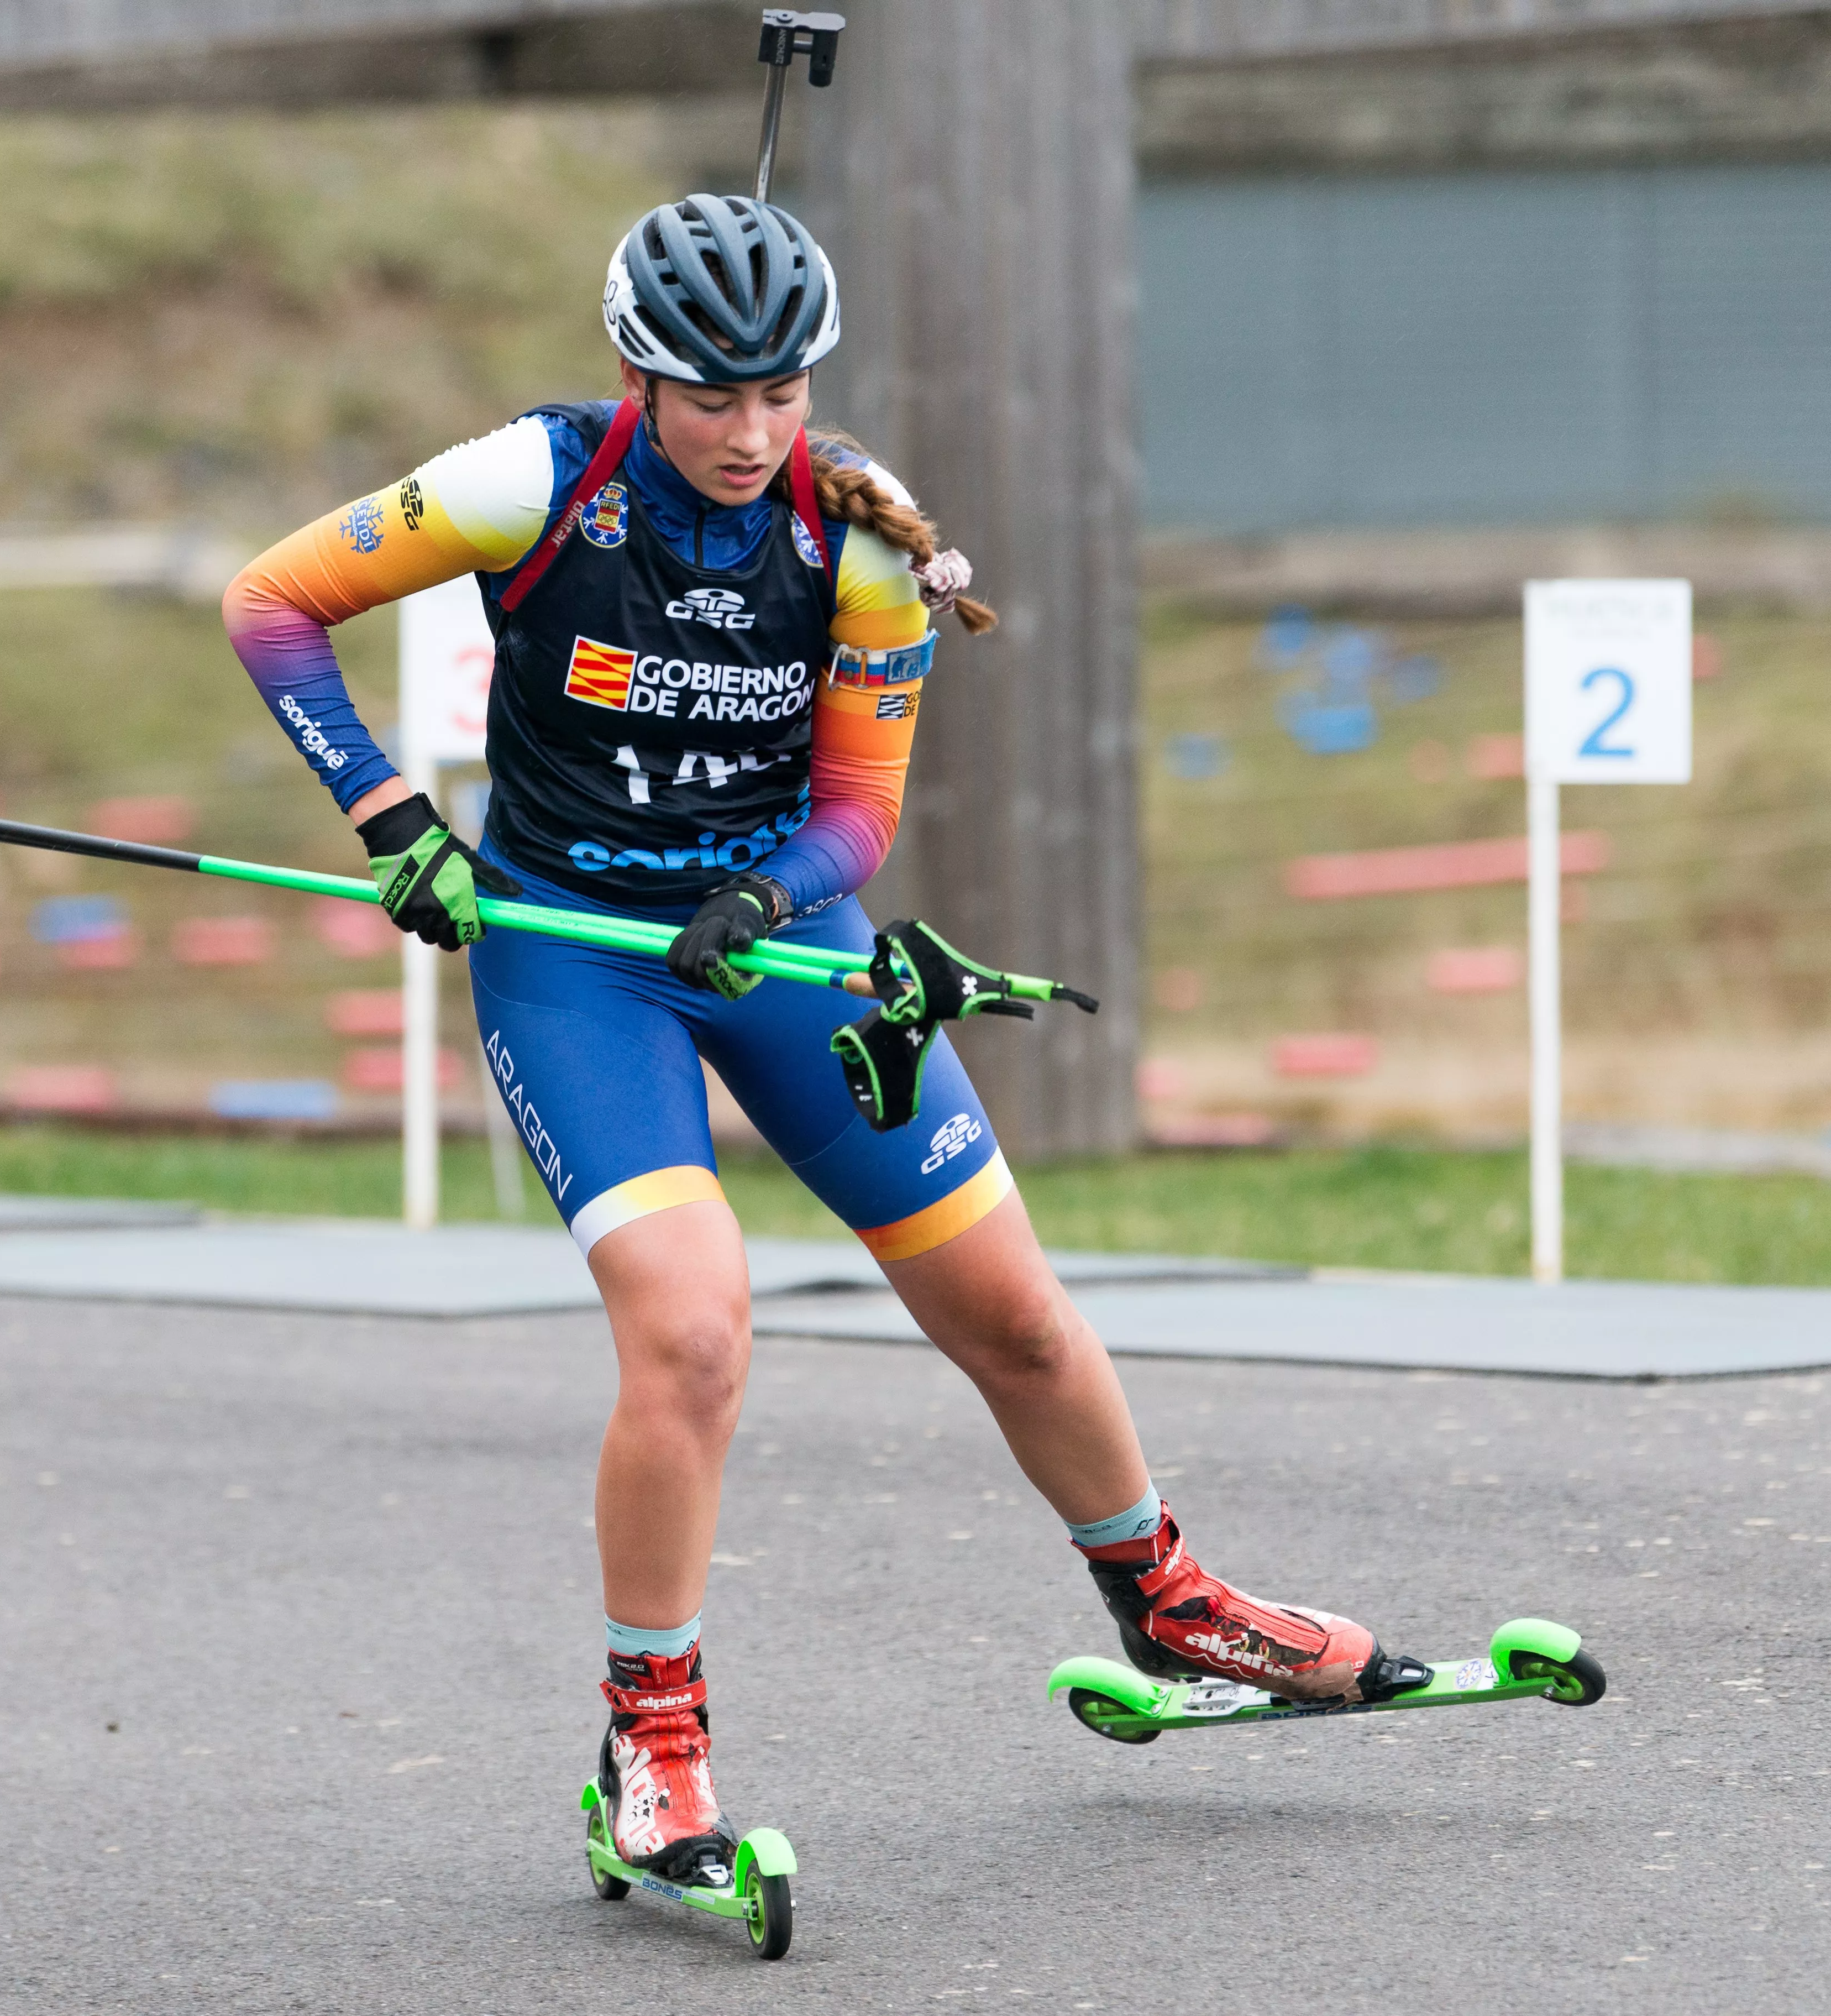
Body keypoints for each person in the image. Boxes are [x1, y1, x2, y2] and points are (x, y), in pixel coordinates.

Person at [222, 193, 1427, 1884]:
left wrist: (772, 890)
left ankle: (1168, 1601)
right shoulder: (529, 480)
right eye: (713, 397)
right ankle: (650, 1738)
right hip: (578, 961)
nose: (750, 430)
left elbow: (861, 815)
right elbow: (272, 603)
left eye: (781, 393)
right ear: (642, 375)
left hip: (779, 943)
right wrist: (389, 815)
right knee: (697, 1333)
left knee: (1012, 1313)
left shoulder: (865, 543)